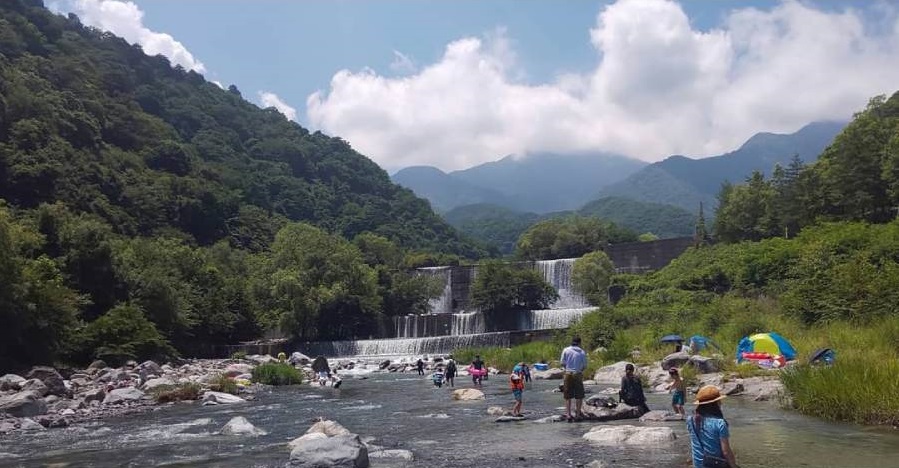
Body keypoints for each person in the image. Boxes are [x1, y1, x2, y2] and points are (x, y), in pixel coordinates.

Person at [687, 386, 738, 468]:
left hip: (698, 465)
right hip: (715, 465)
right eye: (719, 401)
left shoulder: (690, 420)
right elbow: (726, 452)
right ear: (716, 403)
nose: (721, 403)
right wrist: (734, 466)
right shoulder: (720, 423)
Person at [560, 336, 587, 422]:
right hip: (578, 373)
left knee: (568, 396)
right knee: (579, 396)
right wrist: (579, 370)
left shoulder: (566, 350)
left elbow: (562, 363)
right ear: (579, 343)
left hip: (568, 373)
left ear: (572, 342)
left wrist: (567, 368)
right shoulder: (582, 352)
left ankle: (568, 414)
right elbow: (584, 366)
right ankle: (578, 415)